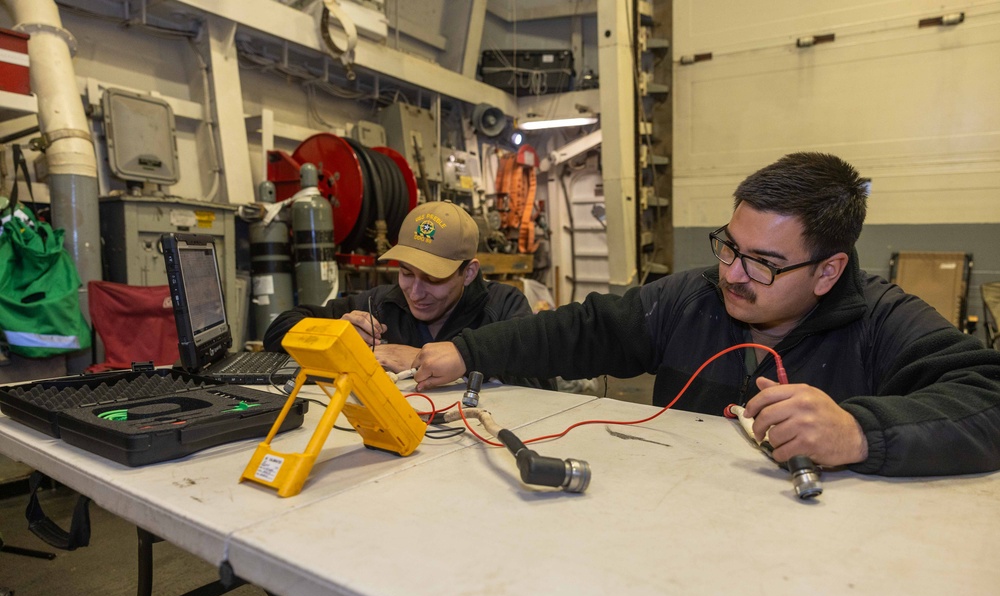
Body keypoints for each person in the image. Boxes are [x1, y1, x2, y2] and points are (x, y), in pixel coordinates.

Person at [412, 152, 1000, 477]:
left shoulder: (882, 319)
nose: (733, 274)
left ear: (828, 271)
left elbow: (989, 399)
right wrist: (467, 351)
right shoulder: (688, 298)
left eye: (764, 264)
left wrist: (858, 432)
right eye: (729, 247)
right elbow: (583, 329)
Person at [264, 200, 549, 387]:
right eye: (406, 273)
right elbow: (278, 331)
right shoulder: (381, 302)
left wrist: (433, 358)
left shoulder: (502, 307)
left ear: (469, 273)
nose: (415, 292)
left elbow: (541, 383)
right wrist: (335, 332)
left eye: (433, 278)